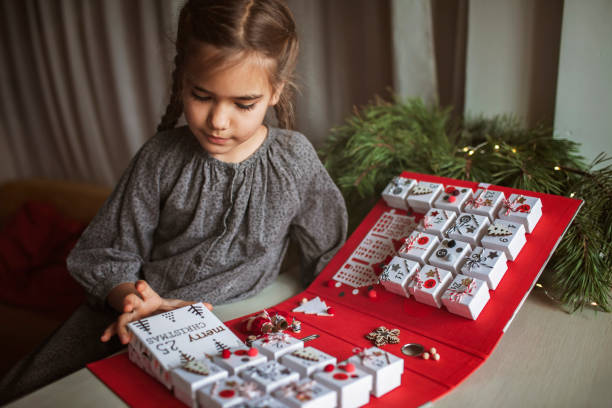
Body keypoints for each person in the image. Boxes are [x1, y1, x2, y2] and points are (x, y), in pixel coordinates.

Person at [0, 0, 347, 403]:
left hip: (236, 326)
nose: (218, 120)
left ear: (275, 92)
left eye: (242, 104)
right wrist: (132, 299)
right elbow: (103, 252)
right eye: (202, 95)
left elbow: (330, 260)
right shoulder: (160, 157)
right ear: (182, 80)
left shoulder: (295, 160)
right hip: (131, 317)